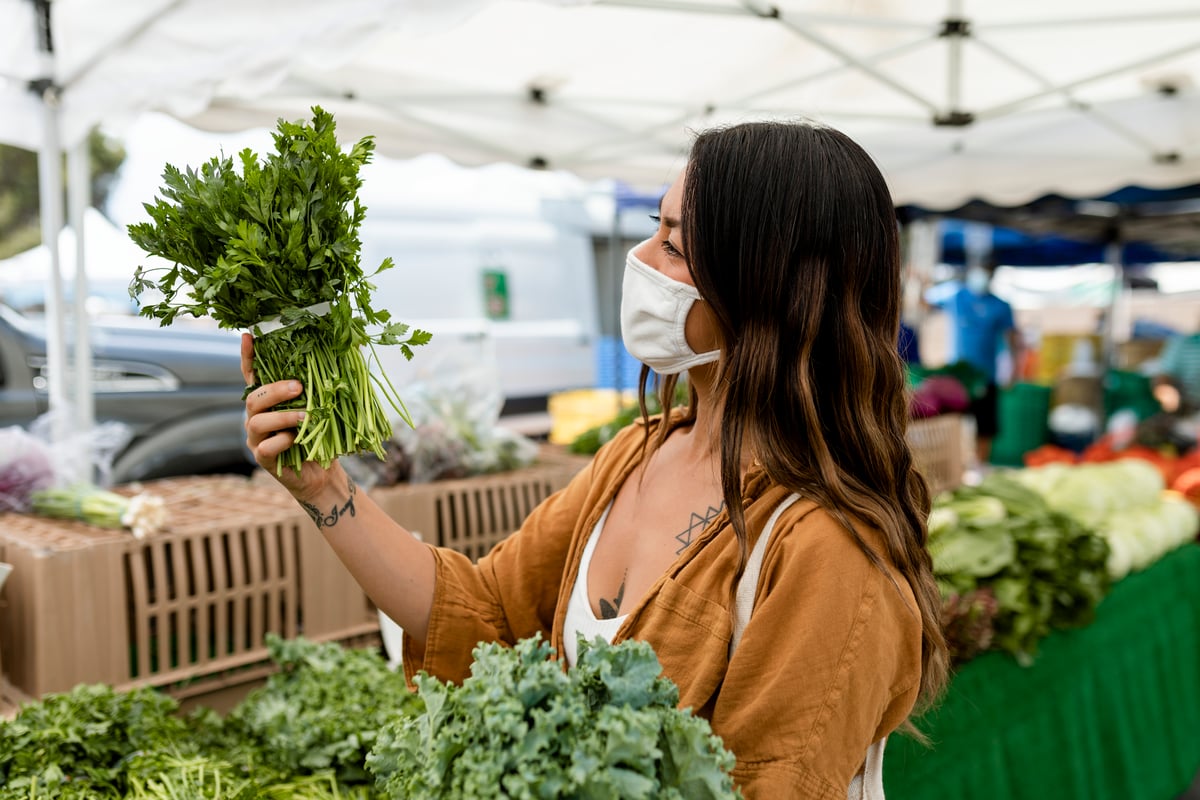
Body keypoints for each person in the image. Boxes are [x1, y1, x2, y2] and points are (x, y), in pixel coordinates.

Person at [243, 121, 947, 798]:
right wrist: (324, 487)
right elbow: (484, 615)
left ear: (765, 285)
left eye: (674, 245)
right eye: (655, 227)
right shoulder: (637, 453)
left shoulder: (830, 551)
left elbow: (767, 787)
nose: (640, 260)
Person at [929, 260, 1022, 463]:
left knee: (985, 427)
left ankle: (979, 465)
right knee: (953, 424)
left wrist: (1013, 370)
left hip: (986, 376)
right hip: (957, 376)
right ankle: (956, 465)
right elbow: (927, 302)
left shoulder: (1000, 305)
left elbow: (1013, 339)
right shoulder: (956, 296)